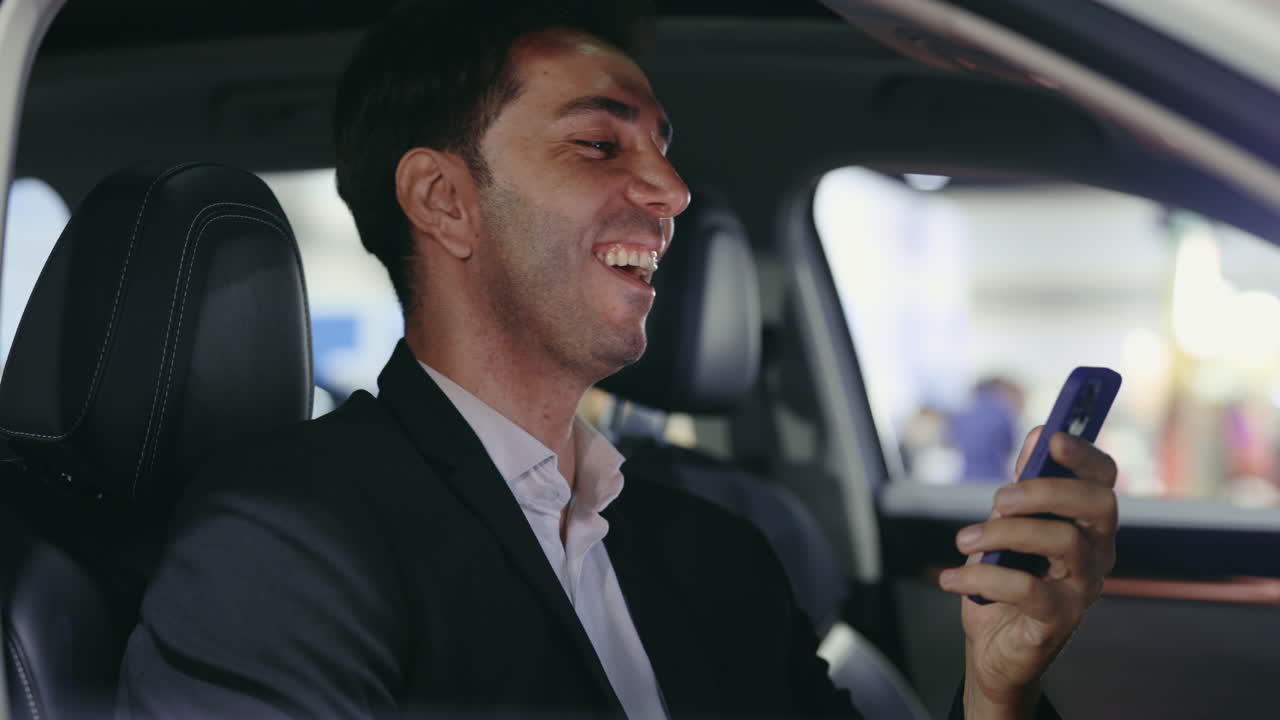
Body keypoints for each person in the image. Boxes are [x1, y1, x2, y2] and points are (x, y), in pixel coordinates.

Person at [117, 1, 1120, 717]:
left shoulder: (714, 548)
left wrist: (996, 684)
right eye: (599, 146)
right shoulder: (286, 540)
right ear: (442, 201)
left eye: (661, 145)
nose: (672, 189)